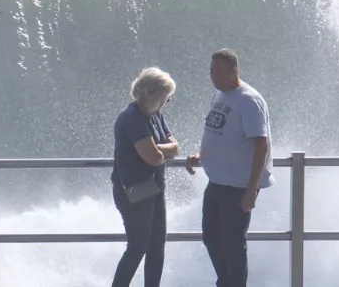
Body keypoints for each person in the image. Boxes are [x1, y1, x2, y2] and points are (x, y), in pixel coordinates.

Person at [186, 48, 273, 287]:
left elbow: (261, 145)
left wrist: (251, 190)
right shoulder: (219, 94)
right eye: (211, 70)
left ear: (234, 71)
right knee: (211, 237)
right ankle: (225, 282)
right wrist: (199, 154)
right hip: (216, 182)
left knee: (233, 244)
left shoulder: (249, 100)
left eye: (218, 71)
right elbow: (219, 132)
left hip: (238, 186)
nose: (213, 76)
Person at [110, 67, 179, 287]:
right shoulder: (131, 117)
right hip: (133, 189)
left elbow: (174, 148)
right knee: (138, 247)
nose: (165, 104)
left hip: (155, 187)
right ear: (151, 94)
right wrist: (158, 152)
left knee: (157, 245)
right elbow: (153, 158)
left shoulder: (155, 114)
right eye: (164, 99)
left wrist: (156, 148)